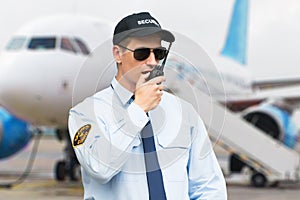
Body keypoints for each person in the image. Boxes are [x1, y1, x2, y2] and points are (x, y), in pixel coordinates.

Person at [68, 12, 227, 200]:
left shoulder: (185, 113)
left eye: (158, 53)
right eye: (142, 53)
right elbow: (100, 168)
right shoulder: (85, 113)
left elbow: (208, 186)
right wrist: (137, 110)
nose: (152, 61)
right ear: (118, 54)